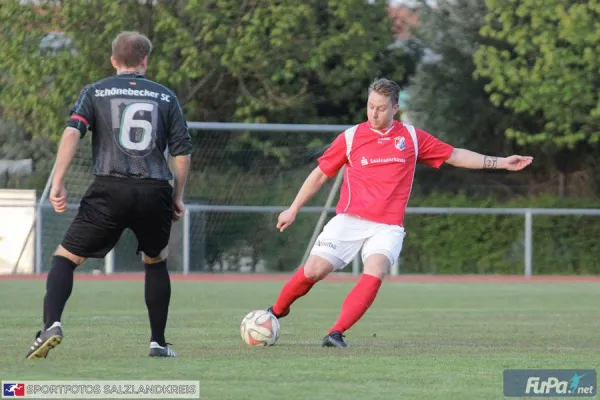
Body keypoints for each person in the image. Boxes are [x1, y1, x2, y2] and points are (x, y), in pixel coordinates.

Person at [266, 78, 533, 348]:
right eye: (370, 106)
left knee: (376, 269)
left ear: (395, 108)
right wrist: (293, 208)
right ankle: (275, 311)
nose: (374, 113)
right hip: (348, 220)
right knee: (313, 270)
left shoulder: (412, 138)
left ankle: (336, 333)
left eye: (381, 108)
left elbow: (455, 155)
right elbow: (320, 175)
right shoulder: (350, 138)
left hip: (387, 226)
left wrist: (501, 162)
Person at [25, 31, 192, 359]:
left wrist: (58, 180)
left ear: (114, 59)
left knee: (65, 258)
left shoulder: (95, 91)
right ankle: (158, 343)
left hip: (109, 190)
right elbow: (183, 152)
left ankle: (52, 325)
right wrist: (177, 195)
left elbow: (73, 131)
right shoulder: (166, 97)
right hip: (155, 189)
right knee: (155, 261)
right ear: (145, 60)